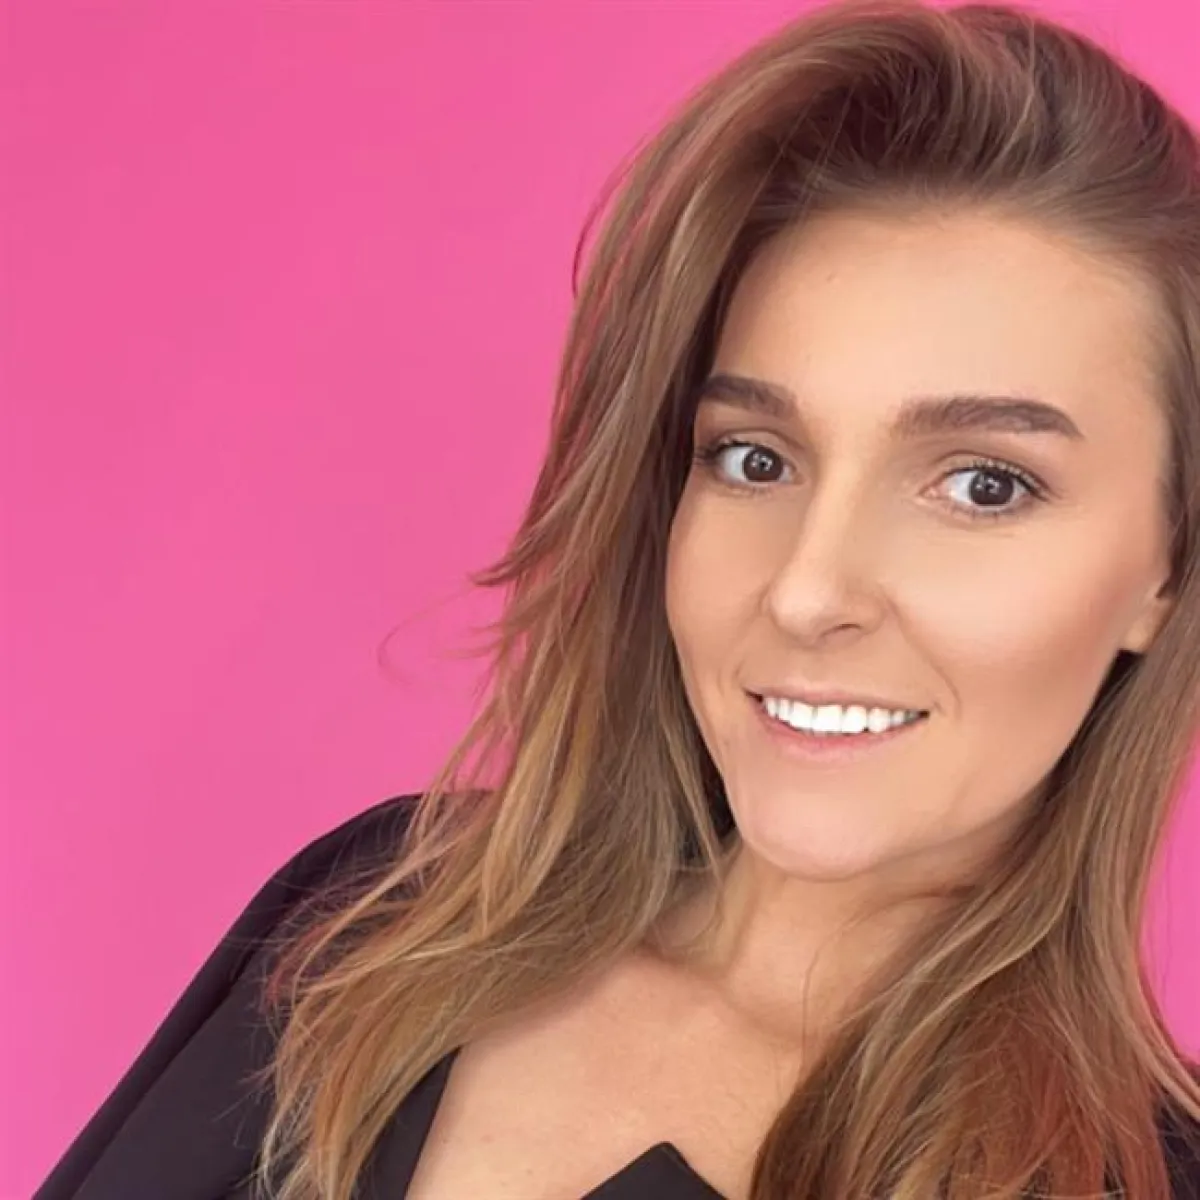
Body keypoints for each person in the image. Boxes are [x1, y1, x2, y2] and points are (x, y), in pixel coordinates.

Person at [34, 0, 1200, 1197]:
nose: (807, 591)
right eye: (755, 458)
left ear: (1166, 568)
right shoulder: (372, 918)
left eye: (984, 485)